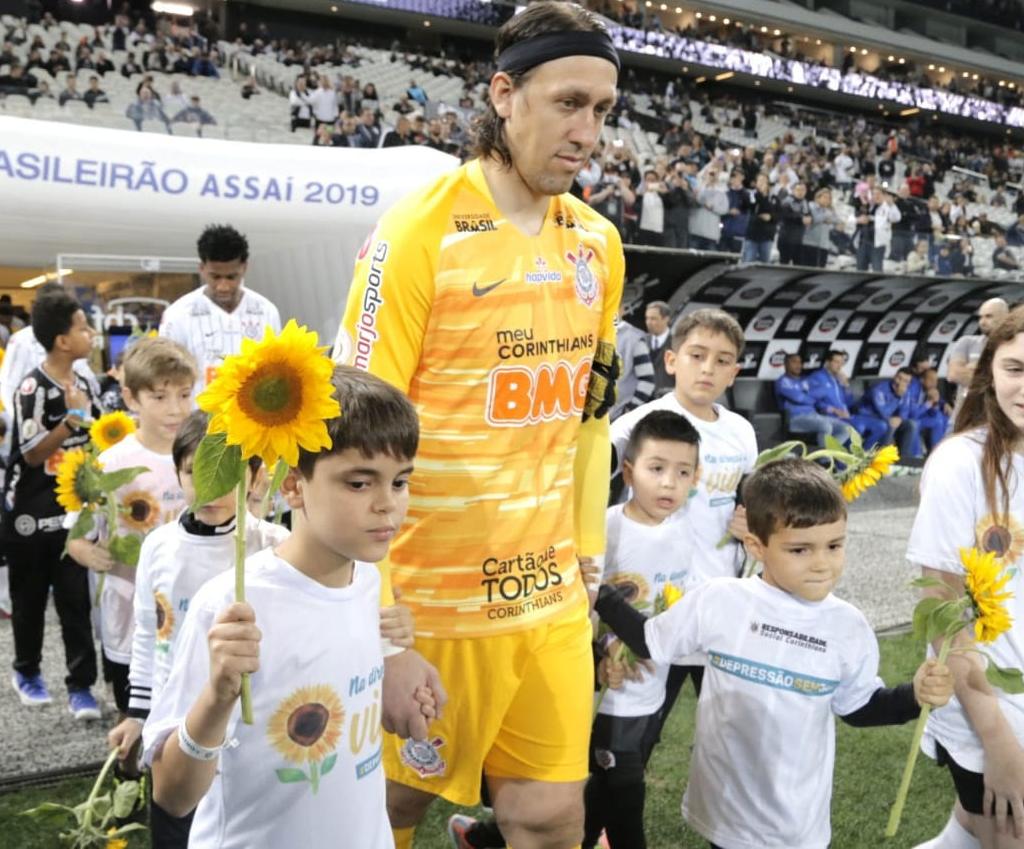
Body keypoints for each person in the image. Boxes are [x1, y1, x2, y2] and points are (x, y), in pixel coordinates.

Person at [333, 5, 624, 847]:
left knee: (550, 817)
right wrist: (379, 629)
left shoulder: (598, 245)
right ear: (505, 92)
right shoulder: (418, 232)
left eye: (603, 111)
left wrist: (582, 547)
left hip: (548, 598)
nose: (588, 131)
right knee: (387, 812)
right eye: (570, 102)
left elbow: (589, 411)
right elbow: (352, 435)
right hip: (426, 607)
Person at [142, 367, 435, 848]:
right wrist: (216, 698)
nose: (388, 505)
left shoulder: (369, 584)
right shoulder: (233, 607)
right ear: (294, 486)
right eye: (360, 484)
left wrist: (387, 701)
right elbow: (172, 795)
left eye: (400, 482)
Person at [595, 458, 955, 849]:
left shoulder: (847, 626)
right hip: (722, 816)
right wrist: (599, 591)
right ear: (756, 545)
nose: (822, 564)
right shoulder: (720, 600)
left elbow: (859, 708)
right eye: (800, 549)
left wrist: (914, 696)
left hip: (794, 828)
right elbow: (651, 641)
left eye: (834, 545)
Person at [907, 306, 1024, 849]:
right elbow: (941, 610)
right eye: (1016, 368)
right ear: (990, 373)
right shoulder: (960, 463)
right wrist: (996, 737)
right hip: (986, 706)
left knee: (969, 834)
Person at [585, 410, 700, 849]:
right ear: (629, 472)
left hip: (650, 692)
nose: (670, 482)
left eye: (682, 471)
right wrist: (599, 658)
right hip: (606, 698)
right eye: (657, 469)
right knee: (628, 796)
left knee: (601, 797)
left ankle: (489, 838)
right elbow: (583, 601)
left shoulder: (683, 533)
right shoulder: (606, 528)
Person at [67, 337, 196, 718]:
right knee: (135, 713)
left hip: (191, 610)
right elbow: (76, 537)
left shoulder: (202, 454)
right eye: (159, 397)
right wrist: (89, 552)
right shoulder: (111, 463)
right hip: (130, 615)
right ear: (131, 398)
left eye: (185, 395)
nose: (175, 409)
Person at [2, 286, 102, 717]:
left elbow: (96, 439)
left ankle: (81, 685)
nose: (92, 333)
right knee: (28, 600)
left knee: (74, 597)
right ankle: (27, 671)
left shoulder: (85, 383)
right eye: (83, 327)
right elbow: (30, 452)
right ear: (63, 340)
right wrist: (71, 420)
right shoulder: (32, 387)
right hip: (29, 507)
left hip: (73, 508)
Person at [611, 309, 757, 584]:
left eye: (722, 361)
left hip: (720, 585)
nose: (708, 368)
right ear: (671, 361)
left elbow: (746, 502)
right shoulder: (637, 423)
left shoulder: (742, 431)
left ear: (733, 373)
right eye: (697, 356)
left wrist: (752, 525)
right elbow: (590, 482)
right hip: (652, 588)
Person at [159, 225, 281, 395]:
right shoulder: (178, 314)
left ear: (244, 268)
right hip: (198, 418)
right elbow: (165, 375)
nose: (223, 286)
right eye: (215, 277)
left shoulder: (266, 311)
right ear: (202, 269)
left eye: (232, 277)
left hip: (251, 417)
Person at [807, 349, 887, 448]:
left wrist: (846, 385)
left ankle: (864, 456)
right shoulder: (817, 377)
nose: (839, 366)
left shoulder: (838, 378)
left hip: (848, 415)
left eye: (841, 363)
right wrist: (834, 410)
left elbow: (849, 403)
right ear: (827, 363)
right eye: (836, 362)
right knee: (858, 427)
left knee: (881, 426)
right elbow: (812, 401)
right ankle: (845, 458)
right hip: (831, 416)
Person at [947, 299, 1008, 425]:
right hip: (961, 420)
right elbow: (954, 375)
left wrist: (974, 369)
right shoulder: (966, 342)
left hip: (996, 423)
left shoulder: (1012, 347)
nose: (982, 322)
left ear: (1004, 317)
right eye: (980, 317)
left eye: (988, 316)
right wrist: (993, 376)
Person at [774, 352, 850, 447]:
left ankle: (829, 453)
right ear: (785, 364)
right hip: (795, 418)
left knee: (846, 428)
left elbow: (823, 392)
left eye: (800, 362)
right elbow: (800, 398)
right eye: (794, 362)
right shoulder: (783, 381)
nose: (798, 365)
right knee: (825, 426)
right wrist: (809, 396)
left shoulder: (804, 380)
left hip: (813, 415)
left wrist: (807, 396)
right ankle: (824, 460)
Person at [851, 368, 921, 460]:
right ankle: (883, 457)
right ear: (894, 376)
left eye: (905, 381)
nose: (900, 382)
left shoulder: (906, 391)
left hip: (888, 418)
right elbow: (883, 412)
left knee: (912, 424)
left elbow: (905, 413)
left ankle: (905, 459)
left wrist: (899, 418)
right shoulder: (879, 389)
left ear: (909, 383)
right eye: (899, 378)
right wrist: (898, 397)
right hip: (869, 416)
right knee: (889, 424)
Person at [644, 301, 674, 397]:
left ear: (666, 319)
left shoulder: (678, 343)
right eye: (647, 318)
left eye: (653, 319)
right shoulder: (640, 341)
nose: (649, 322)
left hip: (667, 398)